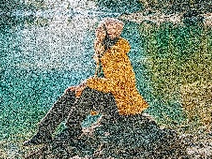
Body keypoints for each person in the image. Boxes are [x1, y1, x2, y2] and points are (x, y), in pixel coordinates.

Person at [24, 17, 148, 145]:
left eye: (100, 29)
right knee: (71, 93)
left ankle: (73, 128)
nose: (97, 32)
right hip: (113, 98)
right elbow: (102, 80)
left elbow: (113, 84)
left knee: (89, 92)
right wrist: (82, 86)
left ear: (108, 33)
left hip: (123, 103)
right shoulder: (105, 50)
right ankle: (44, 133)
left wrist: (87, 83)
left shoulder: (114, 53)